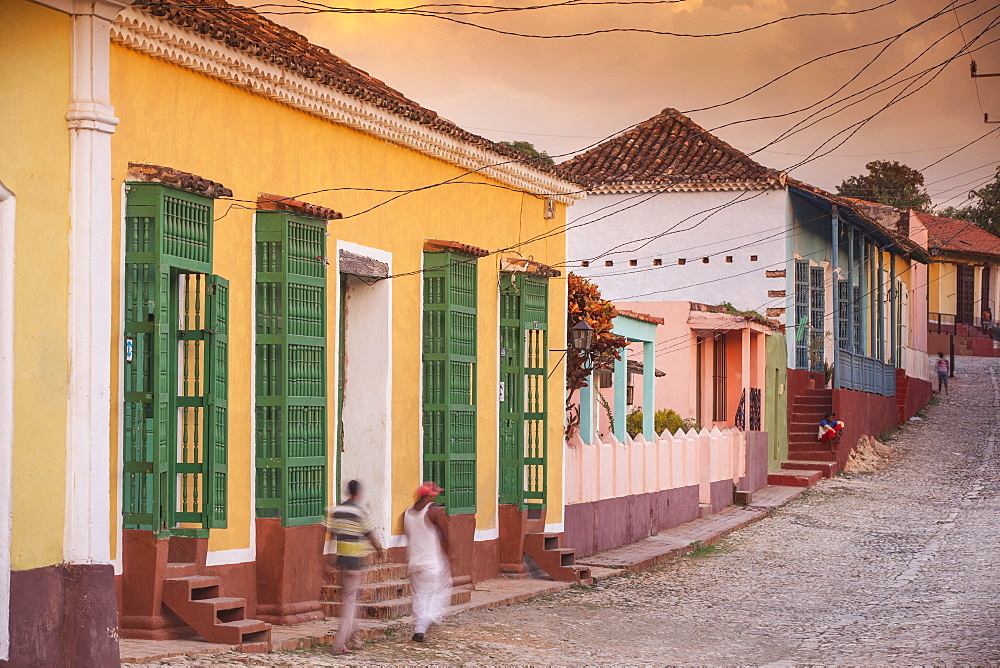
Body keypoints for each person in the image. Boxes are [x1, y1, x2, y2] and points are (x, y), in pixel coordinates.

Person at [325, 480, 384, 655]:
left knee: (350, 600)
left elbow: (331, 537)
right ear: (357, 493)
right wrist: (380, 550)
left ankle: (355, 639)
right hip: (355, 562)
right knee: (350, 605)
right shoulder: (361, 511)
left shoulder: (337, 511)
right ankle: (338, 644)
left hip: (342, 561)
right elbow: (371, 535)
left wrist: (329, 561)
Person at [403, 481, 451, 643]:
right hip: (432, 562)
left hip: (415, 561)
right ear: (428, 496)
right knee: (438, 592)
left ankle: (419, 629)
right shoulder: (433, 513)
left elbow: (409, 535)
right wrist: (450, 553)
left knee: (418, 597)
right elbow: (446, 534)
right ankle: (427, 619)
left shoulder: (407, 514)